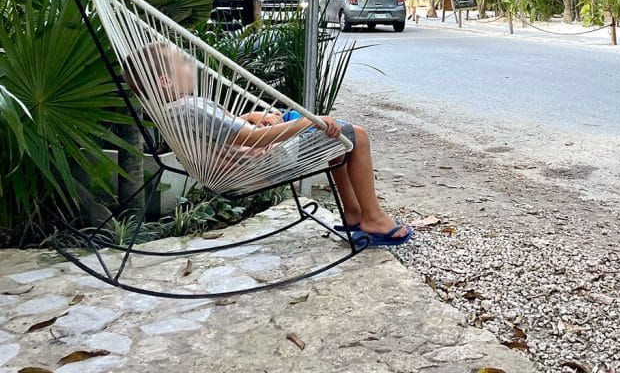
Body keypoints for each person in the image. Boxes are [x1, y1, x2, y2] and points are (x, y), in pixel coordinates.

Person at [126, 43, 412, 247]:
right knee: (355, 135)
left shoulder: (175, 110)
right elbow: (252, 139)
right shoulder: (190, 107)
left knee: (335, 139)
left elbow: (224, 129)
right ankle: (373, 218)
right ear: (164, 81)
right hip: (264, 161)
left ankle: (354, 214)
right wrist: (311, 122)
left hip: (253, 159)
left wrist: (250, 117)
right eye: (182, 64)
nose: (190, 66)